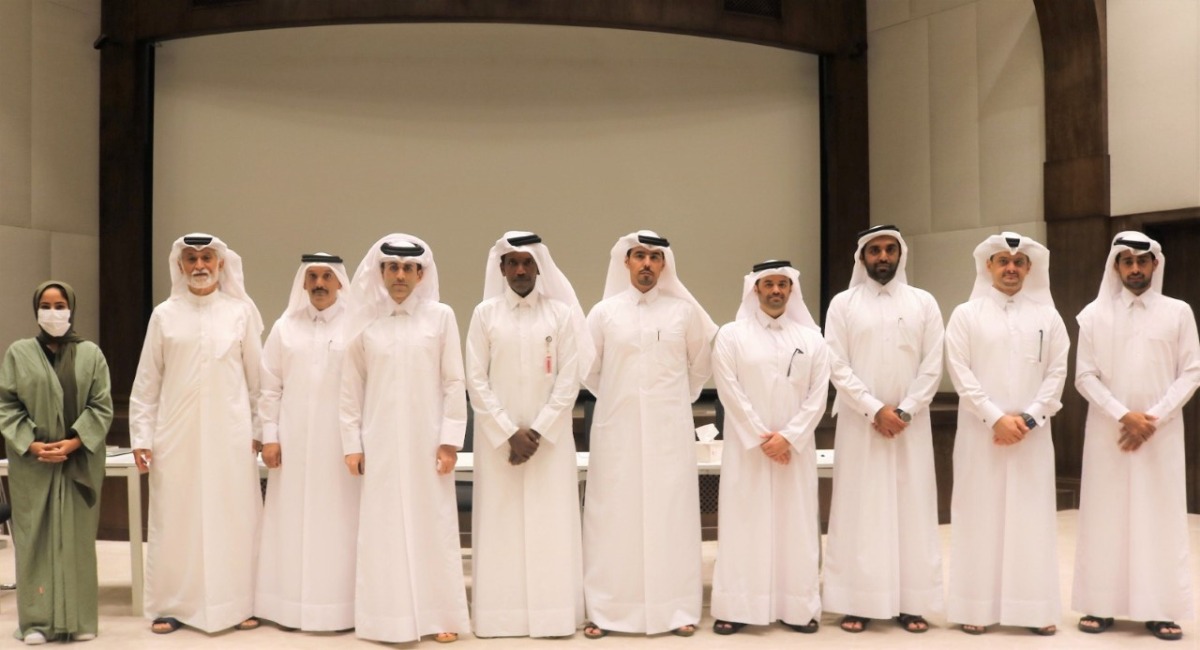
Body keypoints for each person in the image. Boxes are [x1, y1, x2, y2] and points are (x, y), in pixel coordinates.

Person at [581, 230, 716, 639]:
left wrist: (669, 402)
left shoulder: (683, 313)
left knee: (671, 516)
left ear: (664, 264)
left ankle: (676, 609)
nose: (646, 264)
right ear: (626, 262)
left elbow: (700, 366)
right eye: (639, 256)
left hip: (669, 434)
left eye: (654, 257)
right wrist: (622, 399)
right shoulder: (603, 313)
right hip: (617, 433)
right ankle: (607, 611)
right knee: (613, 517)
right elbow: (589, 371)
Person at [129, 233, 264, 635]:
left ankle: (240, 604)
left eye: (207, 258)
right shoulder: (164, 315)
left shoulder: (240, 313)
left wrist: (261, 428)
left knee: (234, 517)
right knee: (176, 520)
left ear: (221, 264)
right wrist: (142, 437)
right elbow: (147, 382)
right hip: (176, 438)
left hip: (231, 437)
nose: (200, 265)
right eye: (192, 258)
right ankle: (172, 605)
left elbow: (258, 381)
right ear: (180, 265)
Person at [339, 234, 470, 644]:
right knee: (382, 529)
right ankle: (385, 619)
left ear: (420, 273)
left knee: (433, 524)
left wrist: (450, 440)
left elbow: (454, 381)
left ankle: (440, 615)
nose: (400, 275)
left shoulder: (441, 317)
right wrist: (352, 444)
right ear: (381, 272)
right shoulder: (364, 321)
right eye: (392, 267)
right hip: (378, 442)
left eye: (407, 268)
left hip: (428, 443)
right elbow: (350, 387)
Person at [1073, 232, 1200, 642]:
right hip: (1108, 434)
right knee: (1105, 516)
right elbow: (1084, 376)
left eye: (1142, 261)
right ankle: (1100, 605)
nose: (1134, 268)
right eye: (1126, 261)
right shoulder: (1093, 315)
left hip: (1160, 435)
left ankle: (1161, 609)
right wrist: (1123, 415)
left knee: (1159, 518)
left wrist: (1152, 419)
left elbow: (1192, 372)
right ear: (1115, 266)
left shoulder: (1178, 312)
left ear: (1155, 264)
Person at [465, 232, 592, 638]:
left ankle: (554, 616)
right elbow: (475, 379)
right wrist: (508, 432)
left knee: (550, 523)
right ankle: (500, 618)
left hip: (549, 443)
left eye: (527, 262)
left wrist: (535, 431)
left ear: (539, 267)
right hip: (498, 444)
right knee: (499, 524)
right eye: (512, 263)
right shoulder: (485, 314)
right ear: (501, 268)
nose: (520, 270)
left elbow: (570, 378)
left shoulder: (561, 315)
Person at [822, 224, 944, 634]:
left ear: (900, 254)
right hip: (861, 425)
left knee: (912, 510)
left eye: (890, 249)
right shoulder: (843, 304)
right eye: (875, 250)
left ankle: (913, 603)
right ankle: (857, 602)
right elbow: (837, 364)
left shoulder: (923, 302)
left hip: (911, 426)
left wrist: (904, 411)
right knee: (860, 510)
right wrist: (875, 409)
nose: (883, 257)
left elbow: (933, 364)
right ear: (862, 257)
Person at [944, 232, 1068, 636]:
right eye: (1003, 261)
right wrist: (995, 418)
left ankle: (1034, 609)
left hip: (1033, 436)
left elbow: (1057, 373)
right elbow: (960, 373)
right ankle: (975, 607)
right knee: (979, 516)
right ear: (989, 266)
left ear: (1029, 268)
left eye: (1018, 262)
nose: (1011, 268)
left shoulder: (1048, 318)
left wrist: (1029, 419)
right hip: (980, 435)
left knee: (1031, 519)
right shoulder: (966, 315)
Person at [709, 260, 829, 636]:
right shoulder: (731, 335)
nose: (776, 290)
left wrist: (789, 438)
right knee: (744, 524)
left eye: (783, 284)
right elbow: (730, 391)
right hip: (748, 451)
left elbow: (818, 395)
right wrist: (764, 438)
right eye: (769, 284)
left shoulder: (812, 339)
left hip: (795, 451)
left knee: (796, 525)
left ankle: (797, 607)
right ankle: (738, 607)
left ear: (791, 290)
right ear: (755, 289)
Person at [1, 282, 113, 645]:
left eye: (60, 305)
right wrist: (33, 444)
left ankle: (78, 619)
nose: (53, 312)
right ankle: (36, 622)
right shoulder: (18, 353)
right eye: (46, 306)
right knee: (34, 539)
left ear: (71, 309)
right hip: (33, 465)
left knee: (77, 540)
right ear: (36, 309)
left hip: (78, 461)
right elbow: (7, 405)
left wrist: (75, 441)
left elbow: (101, 405)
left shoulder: (91, 354)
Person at [255, 253, 359, 632]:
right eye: (312, 276)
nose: (319, 283)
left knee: (339, 522)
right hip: (293, 442)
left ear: (340, 282)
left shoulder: (357, 325)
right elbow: (270, 388)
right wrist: (270, 436)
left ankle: (340, 609)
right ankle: (288, 608)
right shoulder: (285, 327)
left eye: (327, 276)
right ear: (302, 282)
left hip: (341, 445)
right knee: (290, 522)